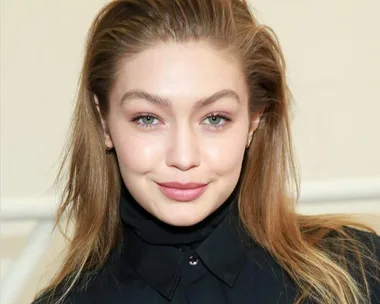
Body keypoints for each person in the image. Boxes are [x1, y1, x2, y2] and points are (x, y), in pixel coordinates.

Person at [33, 0, 380, 303]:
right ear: (104, 122)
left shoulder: (358, 274)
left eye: (214, 118)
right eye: (148, 118)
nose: (183, 157)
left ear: (254, 121)